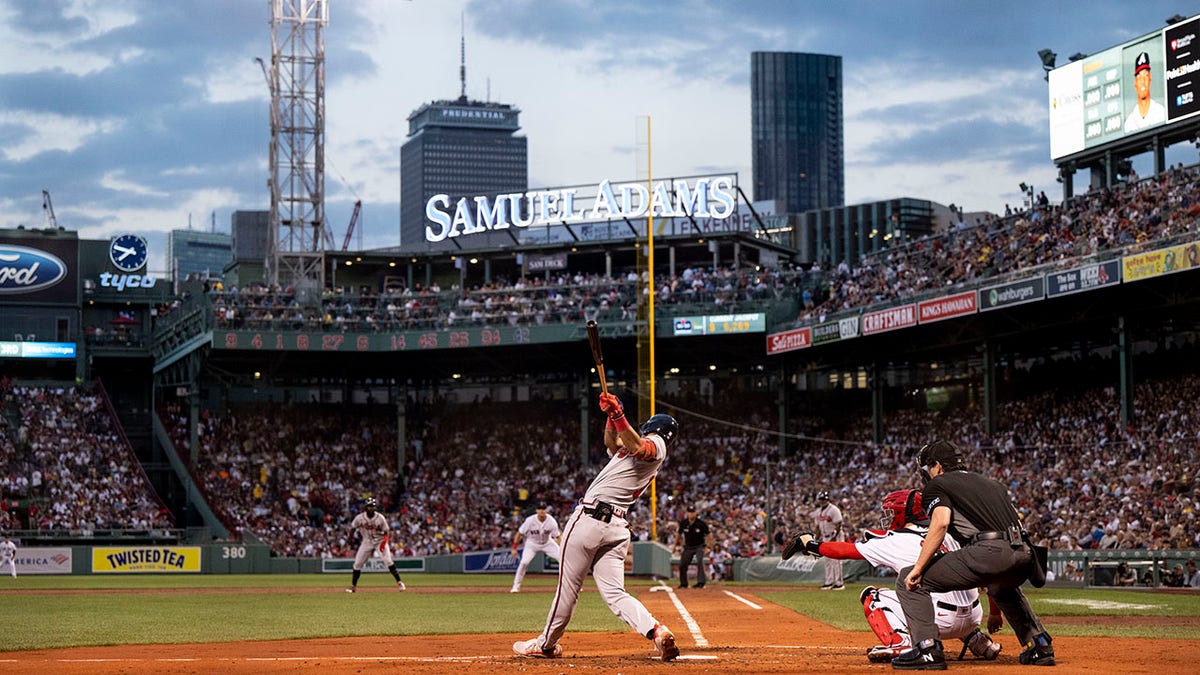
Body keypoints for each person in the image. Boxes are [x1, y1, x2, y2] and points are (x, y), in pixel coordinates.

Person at [512, 394, 680, 662]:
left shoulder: (656, 445)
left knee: (568, 589)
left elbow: (639, 446)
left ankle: (545, 645)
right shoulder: (630, 451)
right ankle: (656, 631)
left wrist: (619, 416)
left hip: (590, 520)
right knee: (615, 593)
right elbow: (612, 443)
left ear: (654, 428)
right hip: (616, 528)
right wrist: (612, 416)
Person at [783, 490, 1001, 663]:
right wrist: (995, 613)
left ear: (901, 513)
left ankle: (900, 643)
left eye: (890, 512)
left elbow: (844, 551)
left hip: (939, 622)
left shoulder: (894, 540)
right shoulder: (950, 531)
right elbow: (990, 572)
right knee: (946, 593)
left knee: (873, 595)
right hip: (974, 615)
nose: (887, 517)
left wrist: (810, 544)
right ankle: (978, 641)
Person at [893, 440, 1055, 670]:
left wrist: (919, 567)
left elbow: (940, 523)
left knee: (908, 580)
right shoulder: (993, 484)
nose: (927, 474)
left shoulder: (937, 485)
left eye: (928, 468)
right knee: (1000, 586)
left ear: (937, 466)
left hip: (989, 551)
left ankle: (927, 648)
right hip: (1025, 554)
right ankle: (1040, 644)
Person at [345, 497, 406, 593]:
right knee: (357, 564)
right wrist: (350, 538)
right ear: (365, 508)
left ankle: (399, 582)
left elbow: (386, 531)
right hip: (367, 541)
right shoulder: (360, 518)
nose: (371, 509)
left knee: (388, 561)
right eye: (369, 507)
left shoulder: (380, 518)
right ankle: (353, 587)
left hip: (379, 540)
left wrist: (384, 542)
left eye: (372, 507)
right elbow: (353, 528)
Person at [510, 503, 562, 593]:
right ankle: (515, 586)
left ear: (546, 510)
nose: (542, 511)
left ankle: (570, 586)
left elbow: (558, 536)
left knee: (563, 560)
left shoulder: (551, 521)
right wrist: (514, 548)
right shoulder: (530, 520)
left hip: (547, 543)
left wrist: (563, 549)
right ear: (536, 510)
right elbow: (519, 534)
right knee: (524, 563)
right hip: (532, 544)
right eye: (540, 509)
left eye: (543, 509)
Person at [1124, 51, 1166, 133]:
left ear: (1150, 79)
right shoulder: (1129, 123)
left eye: (1145, 76)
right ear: (1135, 83)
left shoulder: (1161, 112)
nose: (1142, 81)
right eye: (1139, 77)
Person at [811, 490, 845, 590]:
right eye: (821, 499)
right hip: (825, 537)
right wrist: (815, 539)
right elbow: (817, 527)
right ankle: (829, 582)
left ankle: (839, 583)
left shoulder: (834, 509)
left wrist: (834, 537)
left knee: (836, 561)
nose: (822, 501)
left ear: (827, 499)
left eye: (824, 499)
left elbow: (838, 524)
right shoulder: (818, 512)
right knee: (827, 561)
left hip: (835, 537)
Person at [678, 506, 712, 589]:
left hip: (699, 546)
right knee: (683, 564)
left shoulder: (701, 523)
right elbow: (678, 534)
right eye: (689, 512)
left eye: (692, 512)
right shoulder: (684, 523)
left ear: (696, 513)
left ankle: (701, 582)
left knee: (700, 561)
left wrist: (708, 547)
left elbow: (709, 535)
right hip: (688, 546)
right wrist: (677, 545)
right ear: (687, 513)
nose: (691, 514)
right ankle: (683, 583)